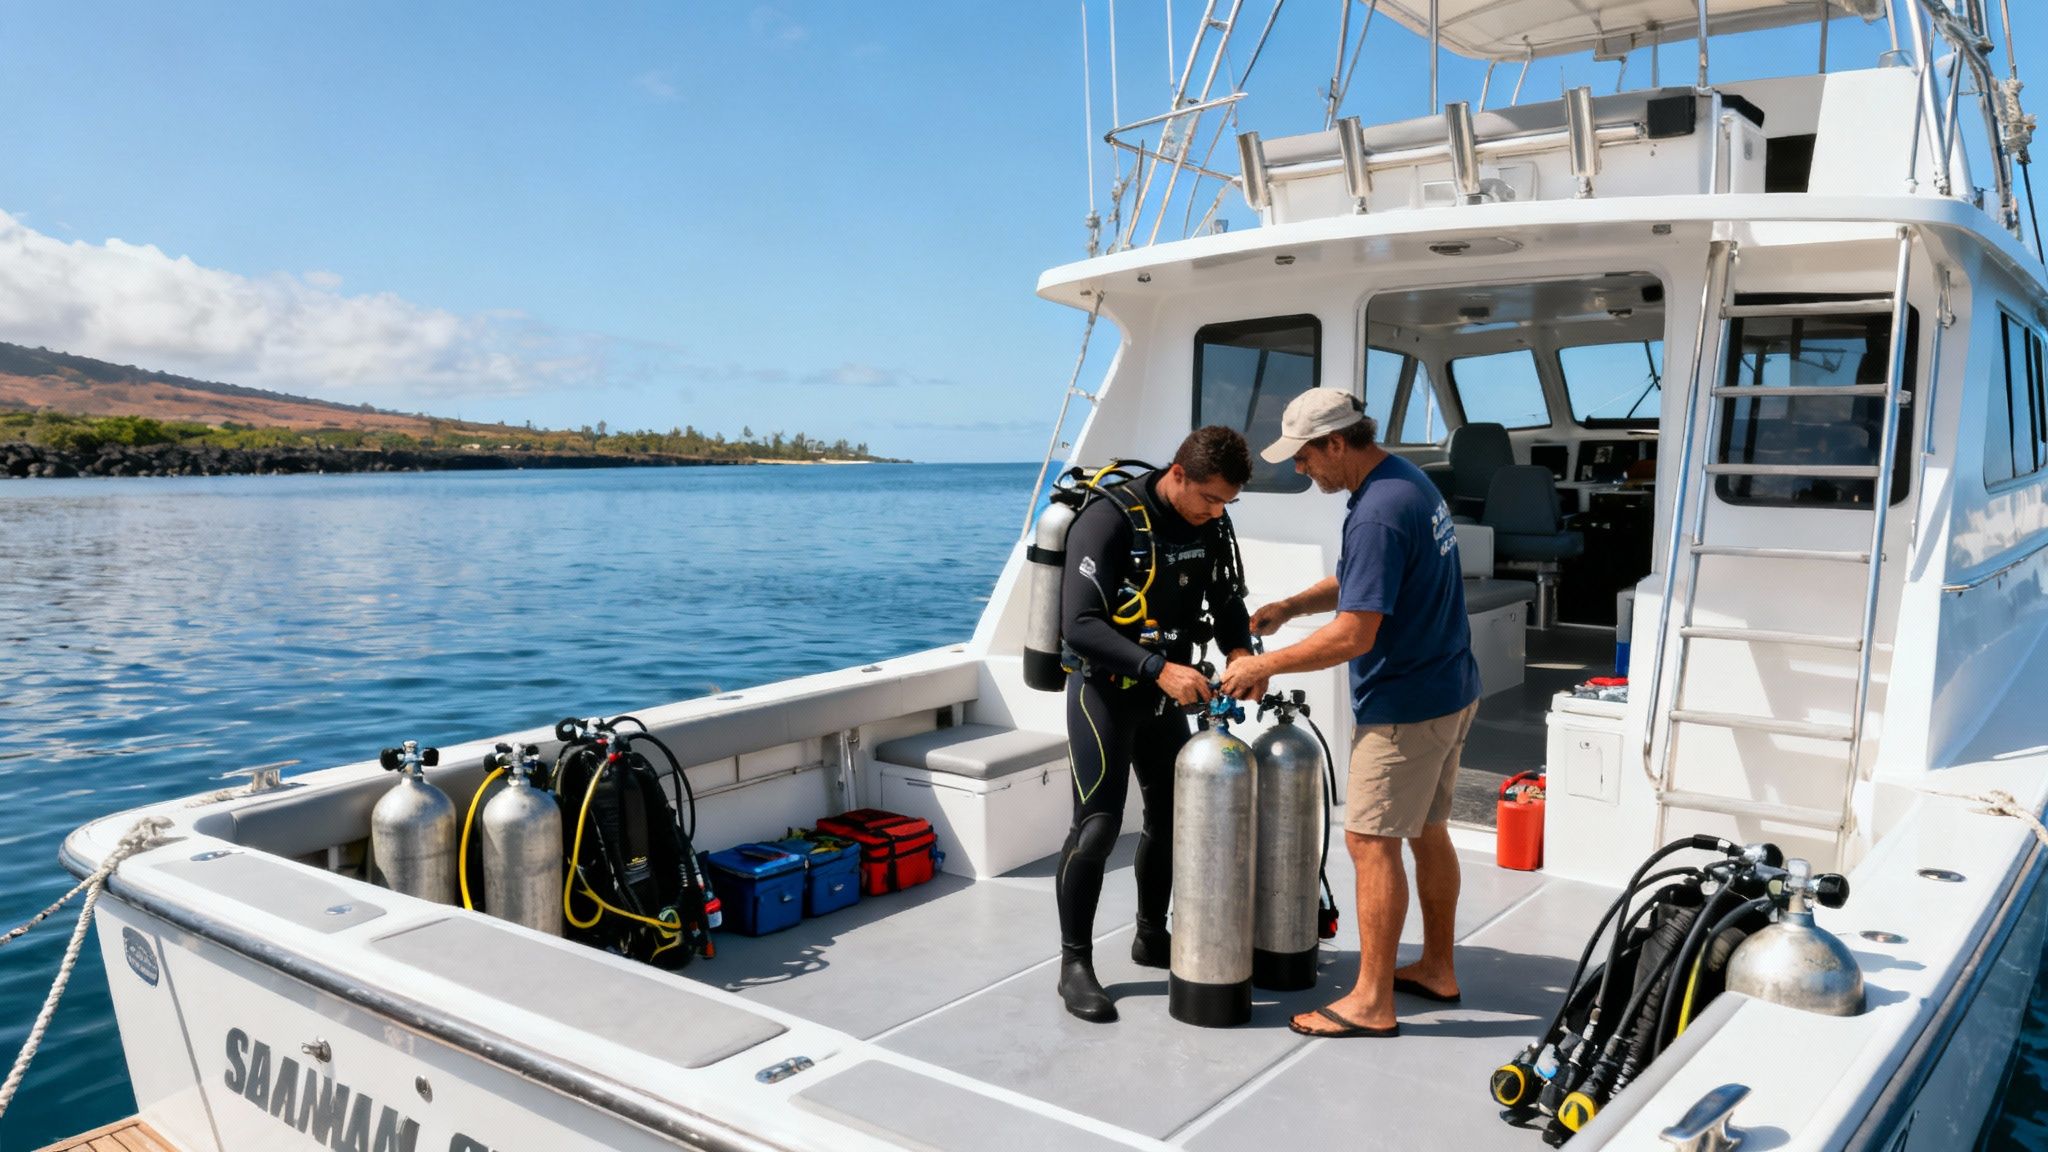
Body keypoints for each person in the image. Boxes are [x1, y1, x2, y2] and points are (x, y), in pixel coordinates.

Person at [1219, 389, 1480, 1038]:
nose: (1301, 471)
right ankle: (1438, 968)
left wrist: (1262, 665)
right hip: (1451, 686)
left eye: (1305, 459)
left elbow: (1355, 635)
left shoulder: (1375, 512)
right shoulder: (1405, 481)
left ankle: (1370, 1001)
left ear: (1337, 443)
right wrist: (1293, 605)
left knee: (1370, 841)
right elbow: (1367, 575)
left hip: (1405, 706)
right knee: (1427, 829)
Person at [1053, 425, 1265, 1022]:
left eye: (1227, 502)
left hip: (1164, 693)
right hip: (1104, 692)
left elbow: (1226, 601)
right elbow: (1079, 624)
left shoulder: (1212, 523)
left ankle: (1150, 934)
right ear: (1178, 475)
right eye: (1210, 498)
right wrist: (1156, 668)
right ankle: (1075, 966)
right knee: (1096, 828)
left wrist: (1242, 651)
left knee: (1174, 820)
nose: (1216, 512)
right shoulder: (1109, 519)